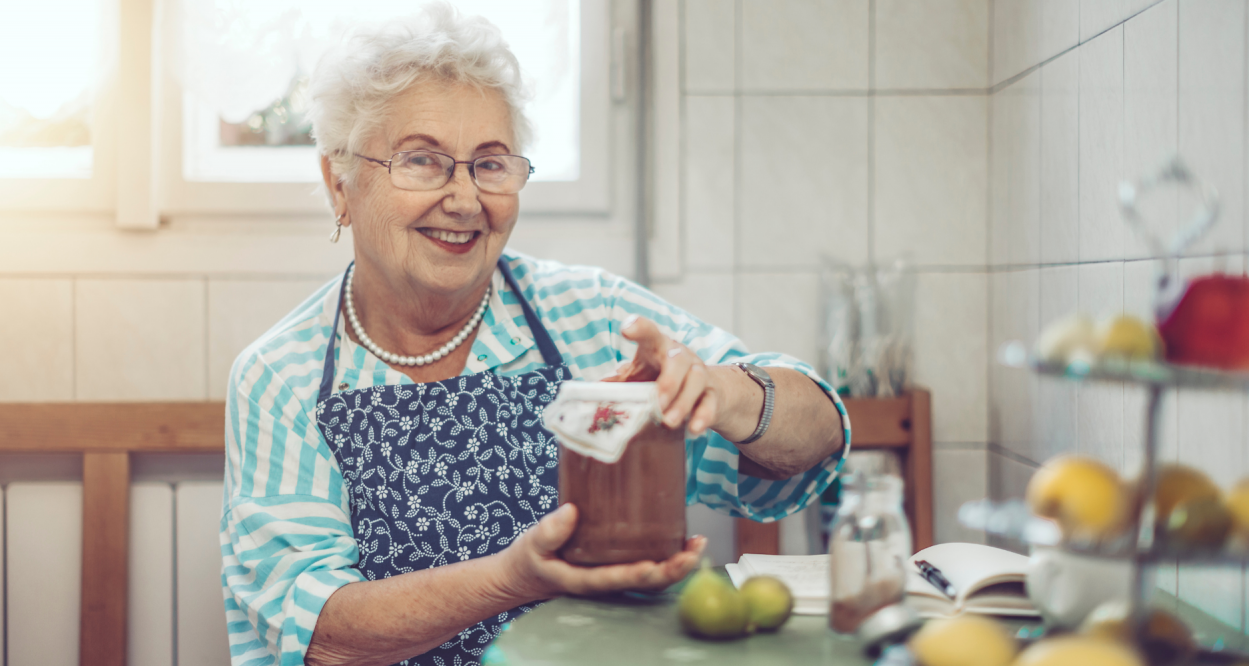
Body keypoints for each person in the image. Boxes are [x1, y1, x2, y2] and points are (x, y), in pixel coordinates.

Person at [220, 5, 849, 665]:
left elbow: (820, 431)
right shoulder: (280, 376)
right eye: (423, 161)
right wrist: (512, 578)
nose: (464, 200)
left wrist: (723, 392)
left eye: (489, 165)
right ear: (338, 182)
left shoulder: (593, 316)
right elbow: (321, 634)